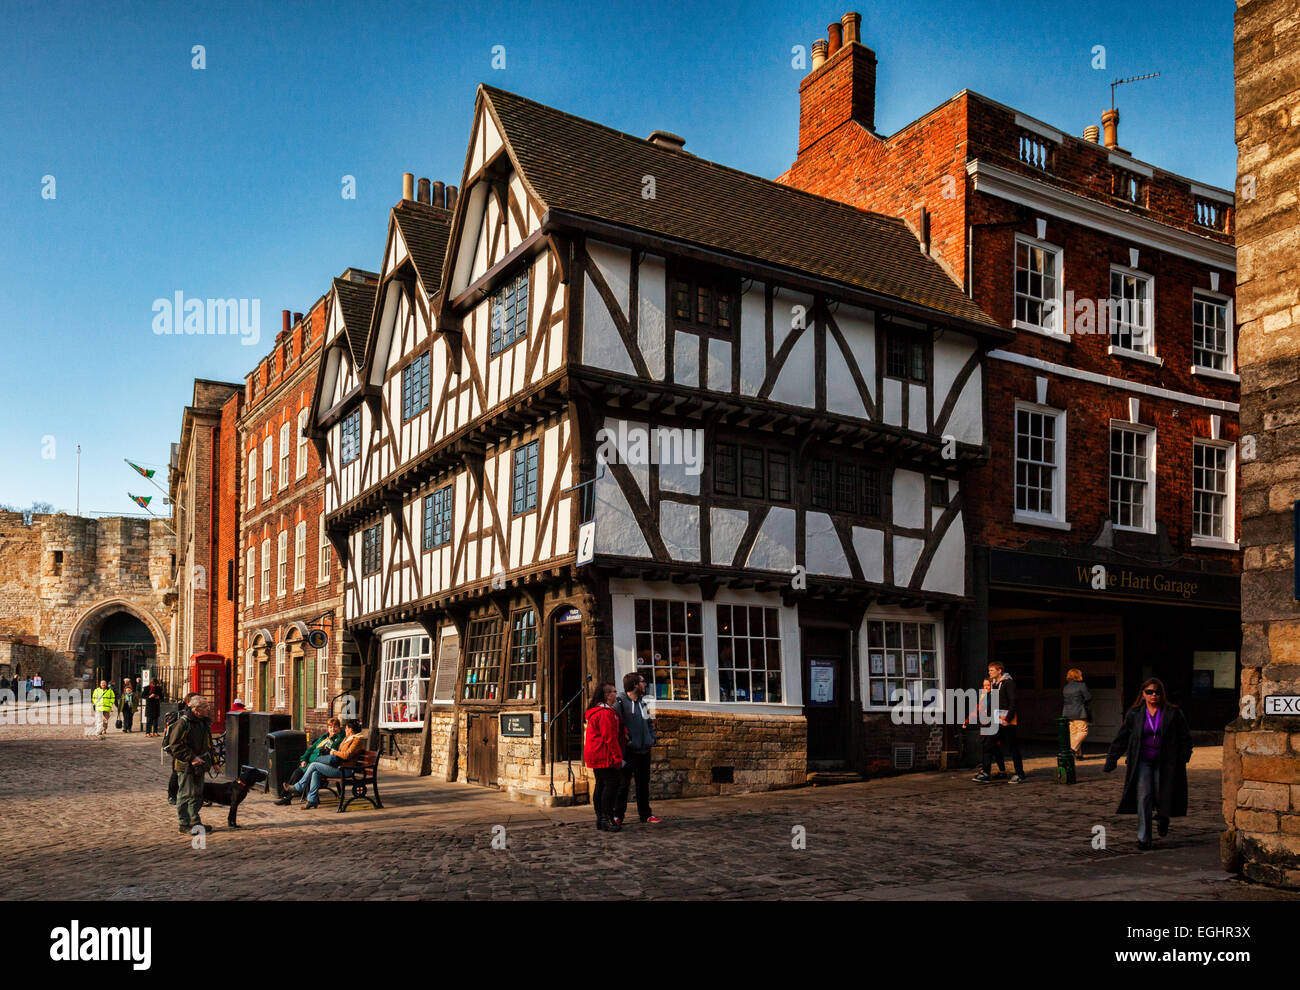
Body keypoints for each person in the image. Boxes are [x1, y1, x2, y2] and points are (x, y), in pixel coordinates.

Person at [1104, 677, 1192, 850]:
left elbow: (1185, 737)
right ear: (1143, 694)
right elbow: (1122, 738)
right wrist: (1112, 758)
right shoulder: (1135, 714)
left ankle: (1163, 818)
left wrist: (1183, 758)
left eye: (1157, 692)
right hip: (1142, 761)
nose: (1154, 696)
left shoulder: (1172, 713)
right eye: (1149, 692)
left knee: (1162, 795)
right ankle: (1144, 838)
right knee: (1144, 796)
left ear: (1162, 695)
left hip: (1166, 761)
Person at [280, 718, 365, 809]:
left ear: (350, 730)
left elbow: (346, 755)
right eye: (330, 727)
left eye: (346, 728)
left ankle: (299, 787)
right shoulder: (347, 738)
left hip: (345, 770)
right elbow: (314, 749)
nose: (345, 730)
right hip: (338, 767)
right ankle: (312, 800)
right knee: (315, 772)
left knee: (314, 765)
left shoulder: (357, 740)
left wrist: (332, 752)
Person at [613, 673, 661, 826]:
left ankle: (645, 814)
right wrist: (627, 741)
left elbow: (648, 723)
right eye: (643, 682)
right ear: (635, 684)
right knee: (623, 784)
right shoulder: (620, 702)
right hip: (629, 751)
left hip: (644, 751)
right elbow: (615, 725)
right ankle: (618, 815)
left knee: (643, 785)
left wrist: (651, 739)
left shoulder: (643, 703)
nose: (645, 684)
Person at [166, 695, 217, 834]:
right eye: (205, 707)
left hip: (200, 765)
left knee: (197, 794)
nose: (208, 709)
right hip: (185, 765)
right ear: (195, 709)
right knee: (185, 794)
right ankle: (184, 823)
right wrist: (191, 757)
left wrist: (214, 762)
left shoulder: (204, 722)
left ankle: (195, 821)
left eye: (208, 706)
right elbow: (175, 744)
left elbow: (208, 744)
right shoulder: (183, 723)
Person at [584, 682, 625, 832]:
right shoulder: (605, 713)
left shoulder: (598, 711)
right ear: (607, 695)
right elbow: (610, 738)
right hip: (603, 753)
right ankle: (606, 818)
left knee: (601, 785)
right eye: (614, 691)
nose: (616, 694)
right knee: (611, 784)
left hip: (595, 752)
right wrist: (617, 758)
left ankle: (601, 818)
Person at [275, 717, 344, 805]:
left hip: (322, 764)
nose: (333, 729)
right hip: (312, 762)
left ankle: (286, 798)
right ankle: (286, 797)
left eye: (335, 727)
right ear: (328, 728)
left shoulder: (339, 739)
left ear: (339, 728)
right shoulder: (324, 737)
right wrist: (304, 759)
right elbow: (311, 749)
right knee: (297, 772)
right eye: (330, 727)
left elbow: (325, 753)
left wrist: (311, 758)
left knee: (299, 774)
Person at [985, 661, 1025, 783]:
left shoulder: (1008, 683)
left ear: (999, 671)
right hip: (995, 719)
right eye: (989, 670)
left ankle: (1019, 773)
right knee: (988, 744)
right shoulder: (994, 684)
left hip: (1006, 720)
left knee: (1012, 746)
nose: (989, 672)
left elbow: (1013, 701)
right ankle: (985, 773)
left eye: (992, 670)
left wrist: (1008, 718)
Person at [968, 677, 1008, 782]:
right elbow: (977, 709)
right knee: (995, 749)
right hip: (986, 725)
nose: (986, 687)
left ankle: (985, 772)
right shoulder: (985, 696)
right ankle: (1001, 771)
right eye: (984, 685)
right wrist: (968, 720)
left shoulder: (995, 696)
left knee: (988, 748)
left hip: (993, 725)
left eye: (988, 685)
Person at [166, 692, 200, 804]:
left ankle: (197, 796)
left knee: (195, 773)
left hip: (194, 749)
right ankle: (172, 795)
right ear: (189, 703)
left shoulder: (199, 716)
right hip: (179, 749)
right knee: (176, 772)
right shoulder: (182, 716)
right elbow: (174, 739)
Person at [1062, 668, 1093, 759]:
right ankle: (1071, 750)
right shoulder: (1082, 685)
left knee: (1073, 733)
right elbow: (1088, 697)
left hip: (1067, 712)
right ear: (1078, 675)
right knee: (1083, 731)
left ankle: (1078, 754)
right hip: (1079, 712)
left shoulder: (1066, 687)